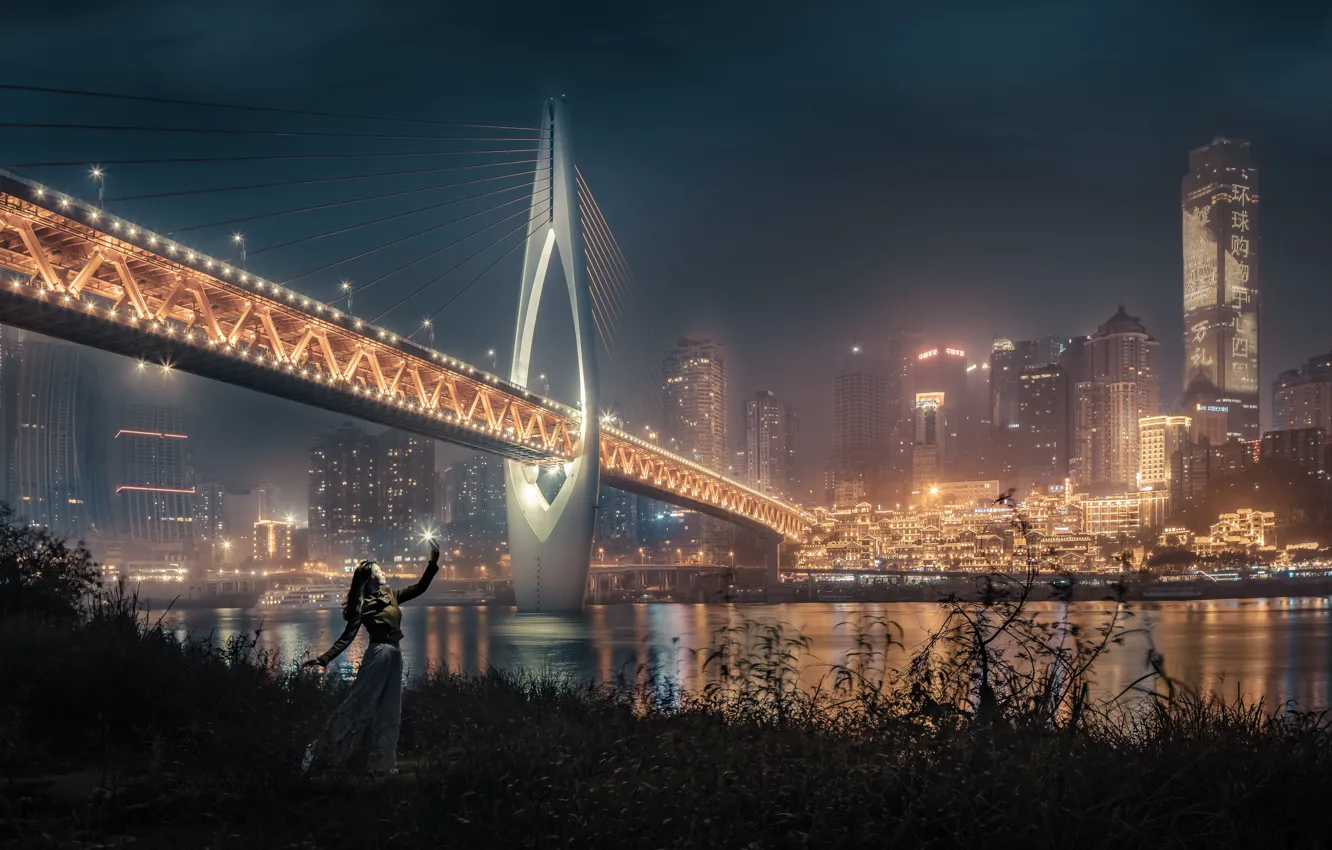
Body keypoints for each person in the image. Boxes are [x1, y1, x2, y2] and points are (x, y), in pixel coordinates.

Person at [301, 540, 439, 776]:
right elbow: (347, 637)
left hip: (395, 654)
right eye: (379, 570)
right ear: (369, 578)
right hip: (378, 654)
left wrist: (432, 563)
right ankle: (321, 755)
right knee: (357, 705)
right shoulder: (362, 605)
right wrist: (323, 659)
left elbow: (420, 587)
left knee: (391, 710)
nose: (383, 572)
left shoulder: (391, 596)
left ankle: (382, 765)